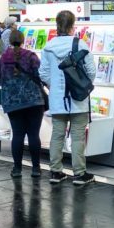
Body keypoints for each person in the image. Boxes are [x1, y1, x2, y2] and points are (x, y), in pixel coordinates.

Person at [39, 10, 96, 186]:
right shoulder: (81, 44)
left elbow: (43, 73)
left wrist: (54, 86)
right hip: (78, 99)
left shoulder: (48, 47)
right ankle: (79, 173)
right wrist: (82, 85)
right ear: (72, 26)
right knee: (78, 136)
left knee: (57, 135)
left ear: (57, 25)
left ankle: (56, 172)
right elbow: (91, 72)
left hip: (57, 99)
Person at [0, 30, 45, 178]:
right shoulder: (31, 56)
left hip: (12, 102)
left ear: (9, 41)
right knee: (33, 134)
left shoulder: (3, 59)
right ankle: (36, 168)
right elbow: (40, 75)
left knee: (17, 135)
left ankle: (17, 169)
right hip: (34, 101)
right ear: (23, 40)